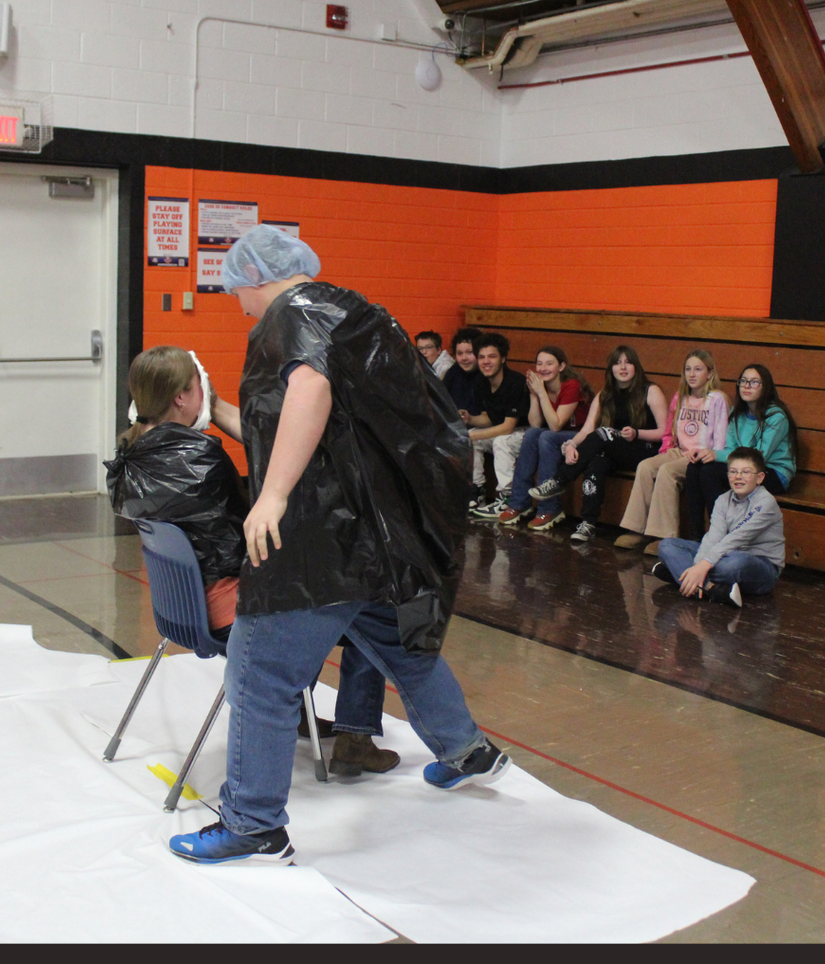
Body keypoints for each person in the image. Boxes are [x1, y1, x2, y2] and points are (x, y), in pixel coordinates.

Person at [169, 225, 509, 867]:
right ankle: (466, 750)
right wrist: (218, 409)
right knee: (401, 647)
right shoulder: (353, 312)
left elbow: (310, 392)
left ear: (254, 278)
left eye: (233, 290)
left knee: (259, 668)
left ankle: (253, 823)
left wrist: (270, 497)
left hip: (321, 541)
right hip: (378, 536)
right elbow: (311, 429)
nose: (234, 302)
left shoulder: (286, 317)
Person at [105, 345, 400, 778]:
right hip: (232, 611)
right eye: (197, 388)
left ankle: (300, 706)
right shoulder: (201, 458)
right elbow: (252, 528)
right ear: (184, 398)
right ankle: (355, 737)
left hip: (182, 609)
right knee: (369, 602)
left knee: (322, 588)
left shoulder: (129, 460)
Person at [529, 345, 668, 543]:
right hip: (616, 449)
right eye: (617, 363)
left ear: (636, 367)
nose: (622, 367)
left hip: (645, 449)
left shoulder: (650, 390)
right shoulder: (605, 394)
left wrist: (637, 433)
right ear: (610, 368)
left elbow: (665, 432)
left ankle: (560, 481)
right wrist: (570, 444)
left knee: (603, 433)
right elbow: (586, 431)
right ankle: (588, 523)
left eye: (628, 362)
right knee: (597, 460)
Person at [613, 348, 729, 553]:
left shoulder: (717, 399)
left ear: (710, 373)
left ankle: (664, 536)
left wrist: (713, 455)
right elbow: (669, 430)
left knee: (667, 472)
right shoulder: (680, 397)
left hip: (699, 456)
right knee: (646, 466)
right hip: (678, 451)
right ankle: (637, 530)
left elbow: (720, 435)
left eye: (698, 369)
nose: (692, 374)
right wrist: (666, 451)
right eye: (688, 369)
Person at [651, 447, 785, 607]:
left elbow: (737, 538)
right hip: (725, 554)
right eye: (733, 472)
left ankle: (680, 574)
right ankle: (711, 589)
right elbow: (714, 536)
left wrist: (702, 566)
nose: (738, 477)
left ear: (760, 478)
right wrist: (698, 565)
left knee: (734, 564)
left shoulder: (766, 502)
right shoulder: (723, 500)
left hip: (759, 565)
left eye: (746, 472)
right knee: (667, 545)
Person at [479, 345, 593, 530]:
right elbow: (535, 424)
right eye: (539, 364)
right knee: (533, 434)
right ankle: (519, 503)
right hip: (554, 438)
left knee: (546, 437)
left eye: (549, 363)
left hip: (580, 438)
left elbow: (555, 425)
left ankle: (550, 507)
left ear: (561, 366)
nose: (543, 368)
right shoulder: (542, 387)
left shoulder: (572, 385)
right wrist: (534, 395)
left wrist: (541, 393)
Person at [683, 363, 796, 541]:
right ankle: (695, 536)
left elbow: (759, 457)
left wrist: (716, 455)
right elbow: (730, 448)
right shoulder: (738, 412)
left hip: (771, 472)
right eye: (743, 381)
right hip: (743, 466)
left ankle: (719, 535)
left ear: (765, 387)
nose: (746, 386)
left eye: (754, 382)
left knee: (710, 472)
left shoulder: (776, 416)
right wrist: (708, 453)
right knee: (694, 467)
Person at [462, 332, 531, 512]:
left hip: (527, 432)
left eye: (492, 356)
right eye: (482, 357)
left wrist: (473, 434)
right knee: (472, 436)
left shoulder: (516, 383)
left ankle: (507, 498)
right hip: (505, 429)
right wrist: (470, 419)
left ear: (503, 359)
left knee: (500, 442)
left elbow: (508, 427)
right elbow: (488, 418)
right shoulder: (481, 381)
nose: (486, 362)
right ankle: (477, 490)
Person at [441, 325, 484, 418]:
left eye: (470, 352)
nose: (464, 358)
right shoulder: (453, 373)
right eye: (459, 353)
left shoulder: (487, 375)